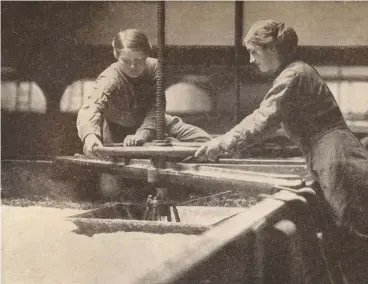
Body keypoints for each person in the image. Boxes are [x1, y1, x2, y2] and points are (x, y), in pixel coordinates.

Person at [195, 20, 368, 283]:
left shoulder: (293, 75)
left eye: (254, 52)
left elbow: (263, 119)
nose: (252, 61)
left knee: (353, 239)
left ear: (272, 50)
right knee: (347, 238)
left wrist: (222, 143)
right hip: (331, 155)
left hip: (337, 159)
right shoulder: (297, 72)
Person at [77, 28, 157, 156]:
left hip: (154, 123)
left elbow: (157, 107)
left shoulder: (154, 68)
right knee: (114, 171)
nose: (132, 67)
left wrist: (143, 132)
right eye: (126, 61)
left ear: (147, 54)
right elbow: (91, 107)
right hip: (116, 131)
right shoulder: (109, 78)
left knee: (199, 137)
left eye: (139, 60)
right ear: (116, 55)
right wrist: (89, 136)